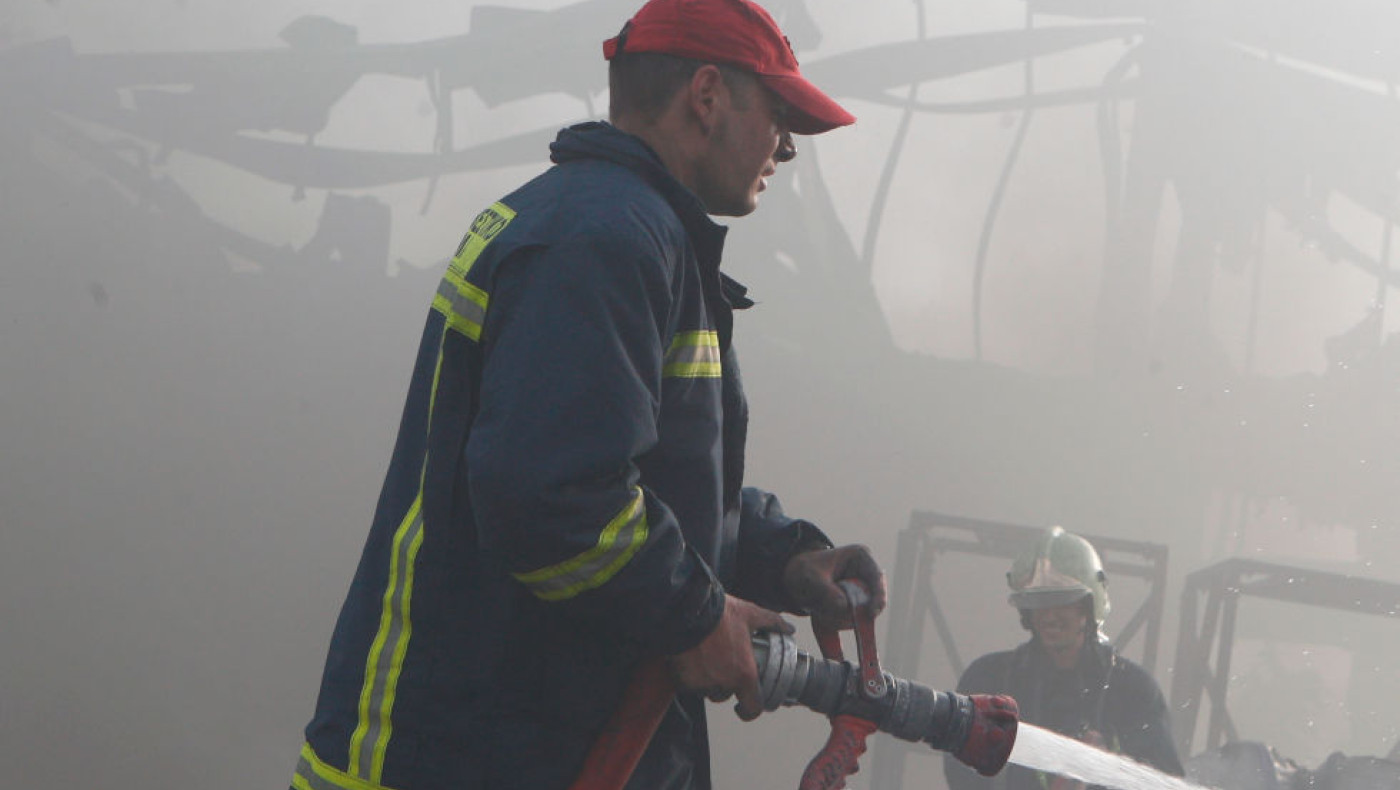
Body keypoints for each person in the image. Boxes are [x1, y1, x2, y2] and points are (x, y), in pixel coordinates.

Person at [288, 1, 885, 789]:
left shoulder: (615, 227)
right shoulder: (604, 239)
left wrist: (784, 555)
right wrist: (697, 615)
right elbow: (552, 492)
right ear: (707, 95)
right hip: (480, 756)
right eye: (778, 114)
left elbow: (639, 479)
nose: (786, 149)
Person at [944, 527, 1184, 790]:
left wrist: (1110, 760)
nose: (1049, 616)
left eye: (1062, 601)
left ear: (1088, 607)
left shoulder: (1133, 691)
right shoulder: (990, 679)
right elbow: (962, 772)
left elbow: (1165, 782)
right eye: (1038, 604)